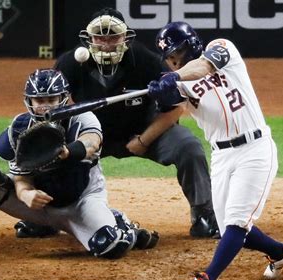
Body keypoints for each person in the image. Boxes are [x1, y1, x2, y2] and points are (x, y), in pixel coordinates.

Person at [0, 68, 159, 263]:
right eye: (39, 100)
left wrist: (66, 151)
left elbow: (91, 143)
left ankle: (123, 226)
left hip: (81, 203)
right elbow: (20, 178)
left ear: (63, 99)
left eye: (51, 100)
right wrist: (26, 194)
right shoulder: (19, 130)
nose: (44, 106)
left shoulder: (82, 118)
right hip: (40, 206)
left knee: (111, 246)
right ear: (29, 101)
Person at [14, 7, 219, 239]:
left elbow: (177, 108)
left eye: (113, 36)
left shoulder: (144, 60)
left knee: (187, 146)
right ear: (88, 39)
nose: (106, 43)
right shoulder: (70, 64)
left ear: (125, 38)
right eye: (100, 37)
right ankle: (44, 217)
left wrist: (144, 140)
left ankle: (204, 215)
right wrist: (70, 143)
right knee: (50, 149)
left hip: (142, 131)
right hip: (90, 135)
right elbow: (53, 109)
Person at [147, 22, 283, 280]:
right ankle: (281, 252)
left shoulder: (221, 48)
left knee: (237, 223)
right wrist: (160, 91)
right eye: (169, 59)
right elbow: (169, 101)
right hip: (221, 156)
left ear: (190, 45)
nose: (173, 61)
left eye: (176, 54)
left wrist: (173, 77)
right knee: (227, 226)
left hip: (255, 149)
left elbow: (202, 68)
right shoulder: (182, 83)